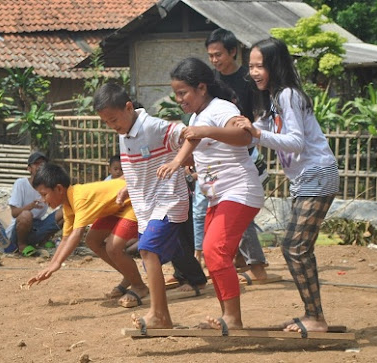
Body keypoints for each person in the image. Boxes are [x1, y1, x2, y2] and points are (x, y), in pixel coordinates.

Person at [235, 37, 340, 335]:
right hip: (307, 180)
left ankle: (316, 317)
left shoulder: (288, 96)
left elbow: (295, 141)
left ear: (275, 65)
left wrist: (255, 132)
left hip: (317, 175)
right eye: (251, 66)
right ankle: (313, 314)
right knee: (298, 247)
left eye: (260, 66)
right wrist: (247, 127)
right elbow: (265, 130)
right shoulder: (275, 99)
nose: (254, 72)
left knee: (294, 247)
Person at [157, 57, 264, 332]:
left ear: (201, 87)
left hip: (239, 190)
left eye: (183, 93)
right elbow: (200, 149)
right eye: (176, 94)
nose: (179, 99)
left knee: (215, 249)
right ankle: (226, 315)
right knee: (211, 252)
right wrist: (185, 163)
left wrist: (206, 131)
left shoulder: (221, 108)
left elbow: (244, 137)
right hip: (218, 194)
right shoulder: (196, 116)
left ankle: (233, 318)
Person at [93, 82, 207, 330]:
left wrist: (177, 161)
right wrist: (127, 187)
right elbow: (136, 168)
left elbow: (193, 134)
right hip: (147, 207)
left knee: (146, 250)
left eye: (114, 119)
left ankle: (159, 315)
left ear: (128, 107)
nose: (113, 126)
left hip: (168, 201)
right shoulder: (125, 133)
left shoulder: (153, 126)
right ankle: (163, 313)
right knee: (150, 256)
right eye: (107, 123)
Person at [26, 164, 148, 307]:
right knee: (92, 240)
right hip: (115, 208)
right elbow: (66, 238)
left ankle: (139, 286)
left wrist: (57, 264)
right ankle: (129, 276)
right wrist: (51, 265)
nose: (43, 200)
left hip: (132, 203)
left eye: (44, 194)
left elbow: (77, 234)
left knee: (113, 247)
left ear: (59, 189)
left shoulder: (79, 198)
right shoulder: (68, 205)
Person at [206, 28, 270, 283]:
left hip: (246, 152)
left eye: (218, 54)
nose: (214, 60)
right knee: (227, 212)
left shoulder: (248, 80)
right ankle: (240, 262)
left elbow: (260, 114)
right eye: (210, 55)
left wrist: (252, 132)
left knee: (237, 211)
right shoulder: (211, 81)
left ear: (233, 51)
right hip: (220, 156)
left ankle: (257, 265)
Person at [6, 152, 62, 255]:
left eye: (43, 164)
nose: (40, 166)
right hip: (19, 231)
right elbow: (14, 213)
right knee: (26, 215)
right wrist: (30, 206)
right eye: (36, 163)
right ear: (29, 168)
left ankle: (43, 240)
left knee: (65, 212)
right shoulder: (21, 183)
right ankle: (21, 246)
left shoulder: (48, 186)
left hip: (38, 227)